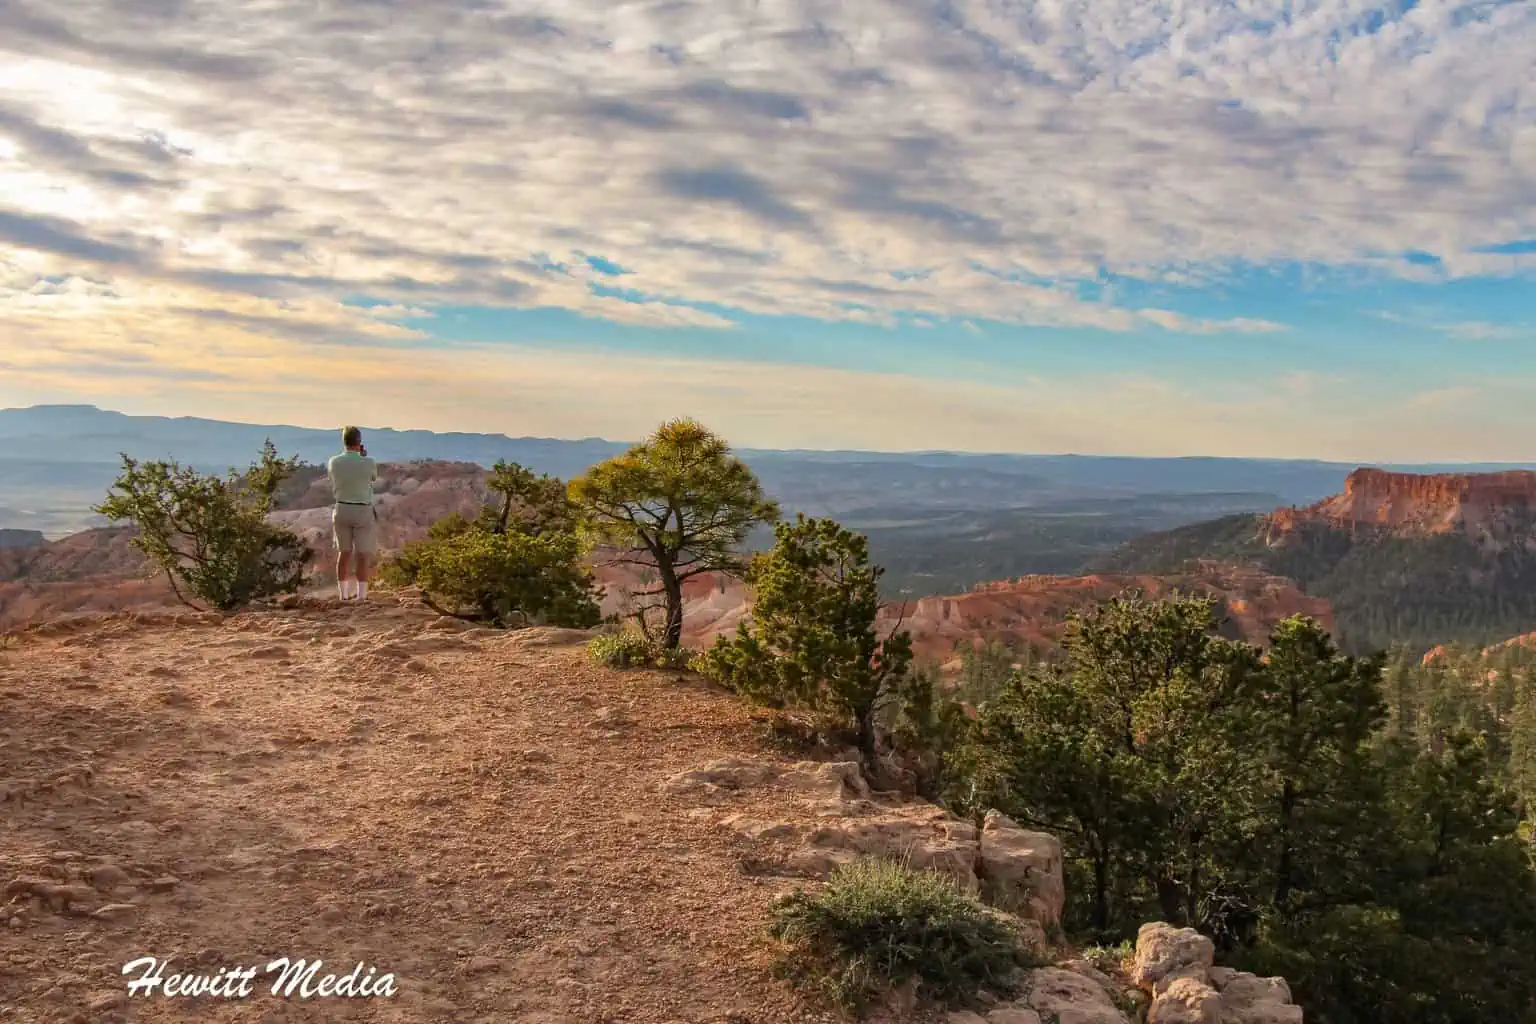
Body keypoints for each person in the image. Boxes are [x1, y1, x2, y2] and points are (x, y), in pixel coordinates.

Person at [327, 425, 379, 600]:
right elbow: (373, 478)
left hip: (341, 508)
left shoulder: (333, 462)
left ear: (344, 442)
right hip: (362, 509)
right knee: (362, 554)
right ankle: (361, 596)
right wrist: (363, 457)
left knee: (344, 552)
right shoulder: (369, 461)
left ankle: (343, 595)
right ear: (359, 442)